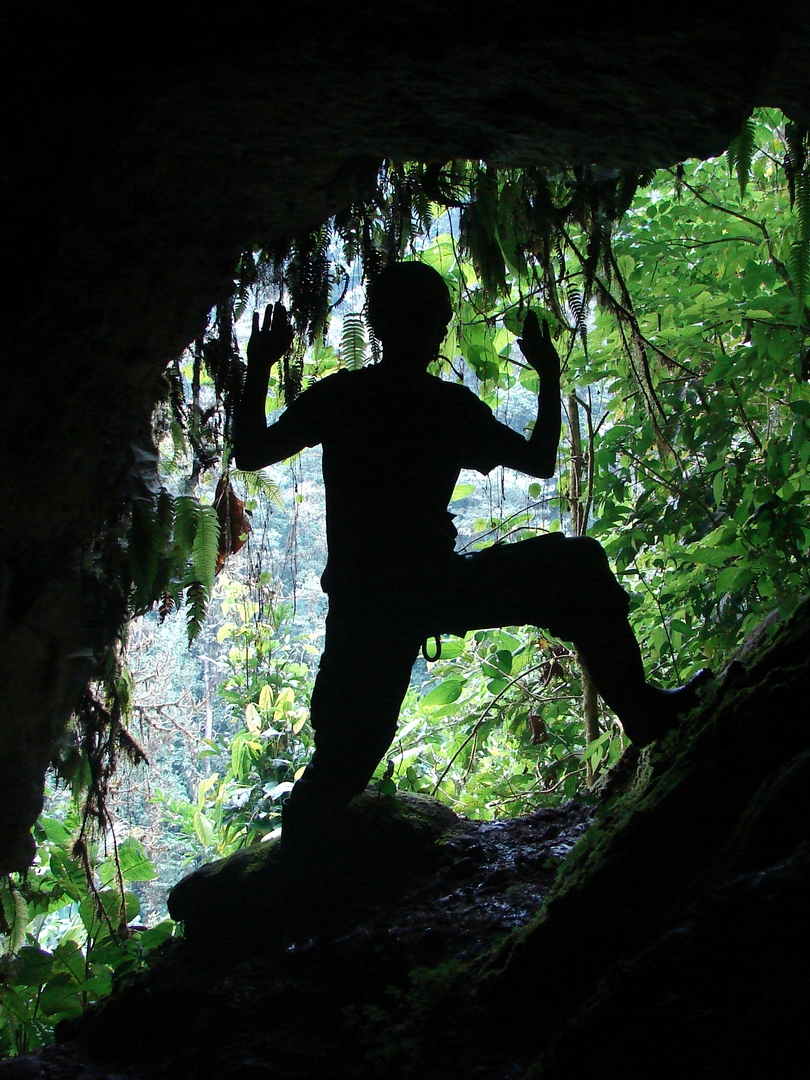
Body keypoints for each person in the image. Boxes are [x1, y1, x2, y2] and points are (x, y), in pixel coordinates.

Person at [234, 262, 705, 850]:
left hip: (373, 603)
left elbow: (251, 450)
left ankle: (295, 880)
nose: (434, 329)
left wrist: (259, 367)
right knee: (576, 566)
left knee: (343, 764)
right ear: (434, 327)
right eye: (435, 318)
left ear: (377, 325)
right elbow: (539, 459)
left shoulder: (343, 396)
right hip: (428, 591)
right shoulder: (445, 405)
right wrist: (549, 376)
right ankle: (640, 709)